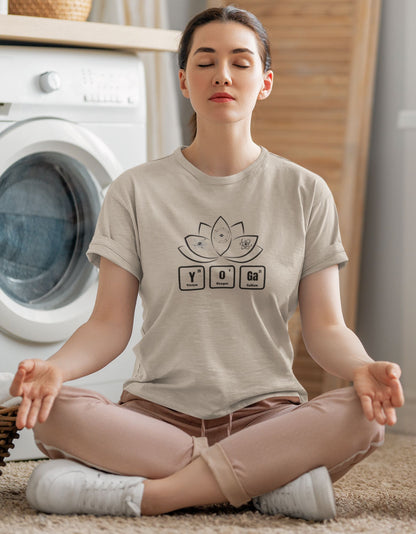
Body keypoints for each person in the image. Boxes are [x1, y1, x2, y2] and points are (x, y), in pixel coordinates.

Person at [9, 6, 404, 521]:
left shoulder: (305, 191)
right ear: (183, 80)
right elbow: (108, 324)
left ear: (264, 83)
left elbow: (326, 328)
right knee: (51, 411)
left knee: (363, 414)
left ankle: (157, 495)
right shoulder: (135, 191)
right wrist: (55, 369)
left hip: (267, 417)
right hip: (155, 420)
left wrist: (361, 368)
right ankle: (264, 482)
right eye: (205, 61)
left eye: (241, 62)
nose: (222, 74)